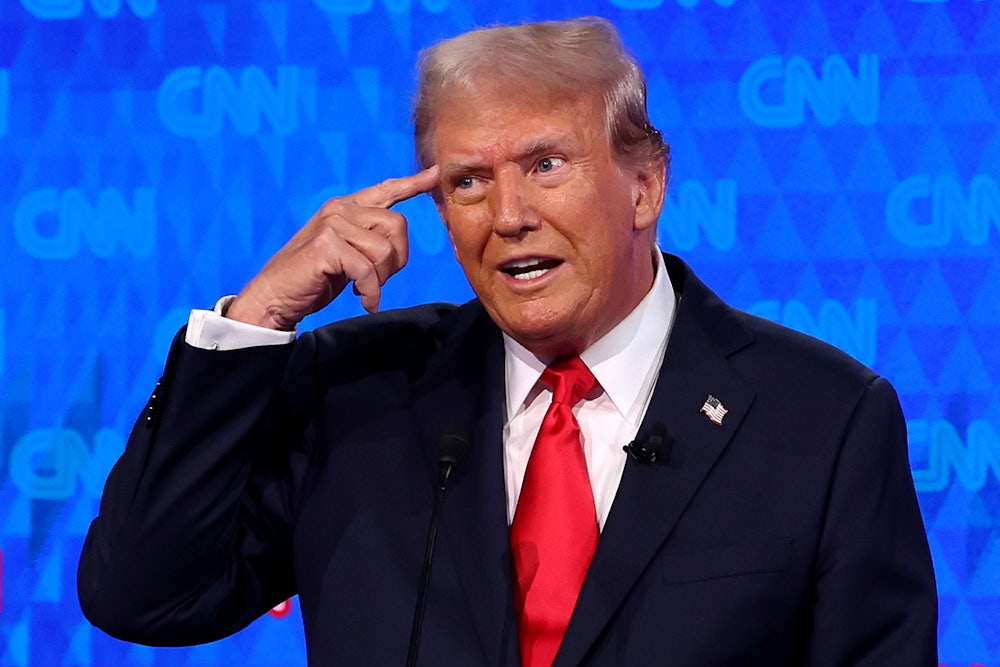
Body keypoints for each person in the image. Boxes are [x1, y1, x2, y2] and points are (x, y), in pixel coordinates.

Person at [78, 16, 938, 666]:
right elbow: (145, 595)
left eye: (546, 164)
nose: (509, 215)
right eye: (467, 181)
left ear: (644, 186)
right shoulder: (353, 393)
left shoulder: (822, 421)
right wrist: (257, 320)